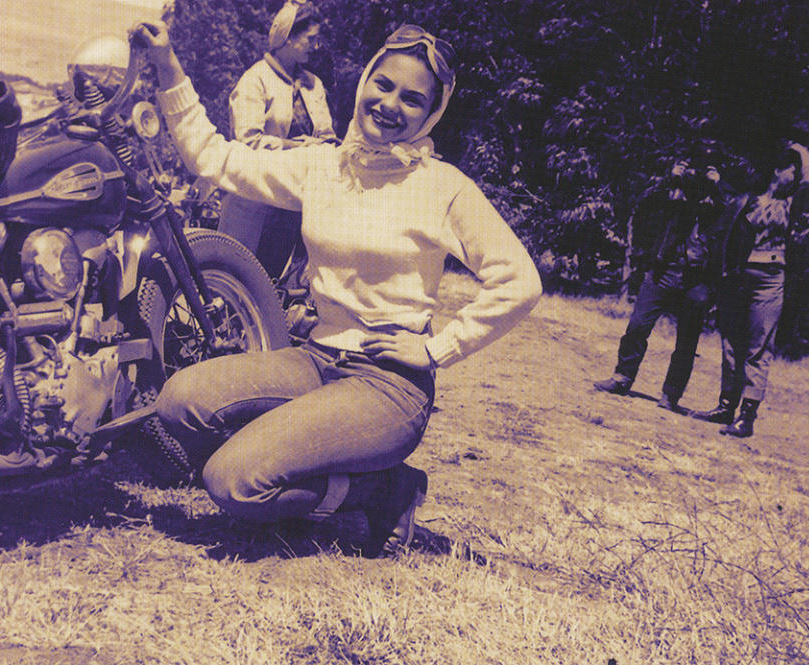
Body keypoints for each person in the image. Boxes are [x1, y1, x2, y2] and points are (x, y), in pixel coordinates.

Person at [133, 20, 542, 556]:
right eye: (384, 84)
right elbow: (217, 158)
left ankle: (386, 491)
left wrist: (436, 348)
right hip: (314, 360)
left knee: (234, 482)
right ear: (365, 80)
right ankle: (299, 455)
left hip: (388, 386)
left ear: (431, 114)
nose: (391, 104)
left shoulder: (445, 187)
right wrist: (168, 66)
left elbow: (521, 279)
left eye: (413, 99)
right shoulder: (324, 164)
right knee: (179, 401)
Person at [692, 142, 809, 437]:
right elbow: (724, 231)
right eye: (792, 170)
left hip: (771, 278)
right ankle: (725, 406)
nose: (797, 175)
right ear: (776, 171)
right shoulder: (749, 199)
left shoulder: (795, 202)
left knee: (758, 346)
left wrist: (800, 150)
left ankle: (746, 418)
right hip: (738, 277)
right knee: (731, 342)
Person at [594, 156, 725, 411]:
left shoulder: (715, 203)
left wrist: (716, 186)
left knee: (687, 342)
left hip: (697, 279)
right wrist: (671, 178)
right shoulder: (671, 197)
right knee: (637, 325)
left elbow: (729, 215)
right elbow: (644, 204)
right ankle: (622, 377)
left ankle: (671, 395)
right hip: (662, 270)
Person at [218, 0, 336, 278]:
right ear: (288, 36)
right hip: (257, 199)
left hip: (296, 202)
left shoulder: (312, 84)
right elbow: (248, 142)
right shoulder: (255, 80)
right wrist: (298, 147)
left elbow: (326, 135)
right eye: (310, 39)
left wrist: (329, 147)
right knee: (241, 279)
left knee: (281, 281)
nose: (315, 46)